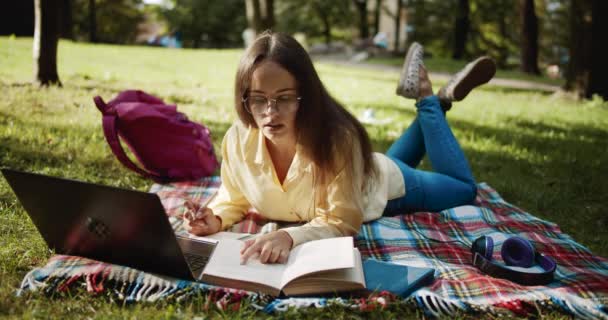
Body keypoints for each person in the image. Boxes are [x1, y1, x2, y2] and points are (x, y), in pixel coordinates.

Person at [184, 32, 496, 265]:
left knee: (464, 188)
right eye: (258, 98)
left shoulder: (338, 141)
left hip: (386, 185)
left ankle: (428, 99)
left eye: (285, 98)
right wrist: (215, 217)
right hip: (363, 167)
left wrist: (289, 235)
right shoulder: (238, 139)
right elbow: (234, 194)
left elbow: (341, 221)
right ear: (244, 97)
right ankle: (436, 104)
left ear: (307, 95)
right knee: (383, 160)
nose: (270, 112)